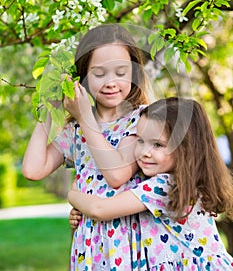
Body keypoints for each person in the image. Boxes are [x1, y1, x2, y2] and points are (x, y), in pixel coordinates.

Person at [22, 24, 150, 270]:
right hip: (89, 244)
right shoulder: (76, 130)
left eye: (121, 72)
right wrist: (50, 108)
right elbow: (33, 170)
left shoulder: (143, 120)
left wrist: (83, 117)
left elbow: (117, 174)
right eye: (99, 73)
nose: (111, 82)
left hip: (129, 240)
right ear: (82, 77)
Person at [68, 97, 233, 270]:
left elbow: (99, 209)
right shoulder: (182, 182)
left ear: (186, 148)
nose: (144, 152)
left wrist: (73, 195)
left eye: (157, 144)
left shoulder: (165, 185)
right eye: (140, 140)